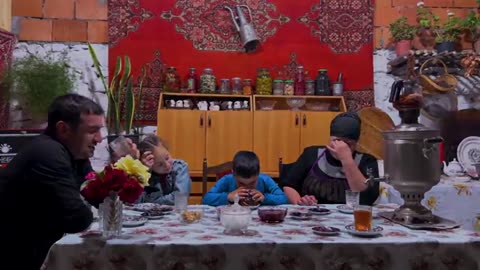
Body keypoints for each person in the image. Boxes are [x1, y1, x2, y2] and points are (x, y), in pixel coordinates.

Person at [0, 94, 104, 270]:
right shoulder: (48, 153)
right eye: (92, 131)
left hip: (35, 249)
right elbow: (76, 219)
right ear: (63, 130)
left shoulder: (75, 153)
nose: (100, 138)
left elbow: (98, 196)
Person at [280, 112, 379, 206]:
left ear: (356, 143)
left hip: (351, 216)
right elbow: (289, 185)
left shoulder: (368, 161)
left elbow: (368, 197)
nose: (341, 147)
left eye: (348, 144)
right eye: (337, 141)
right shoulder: (311, 154)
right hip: (313, 215)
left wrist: (347, 159)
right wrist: (300, 202)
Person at [202, 151, 288, 206]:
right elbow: (206, 198)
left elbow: (284, 198)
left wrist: (265, 198)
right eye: (241, 183)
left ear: (258, 174)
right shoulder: (227, 179)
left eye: (252, 183)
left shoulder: (264, 179)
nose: (247, 187)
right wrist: (228, 196)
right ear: (233, 174)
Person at [135, 134, 191, 205]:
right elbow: (136, 202)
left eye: (167, 158)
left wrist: (150, 201)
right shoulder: (147, 172)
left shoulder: (180, 167)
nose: (167, 165)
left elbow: (180, 198)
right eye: (159, 164)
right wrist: (145, 171)